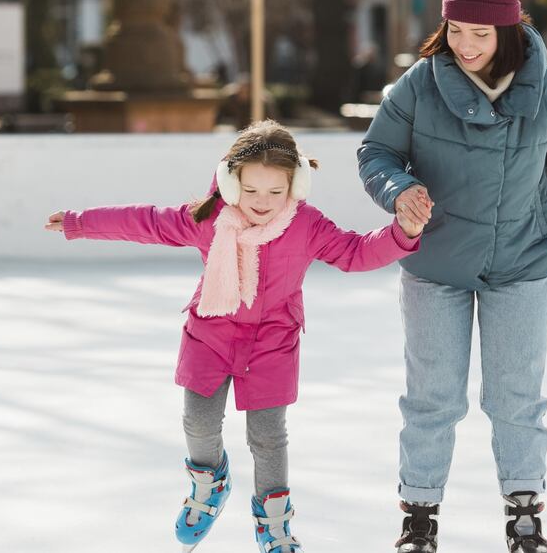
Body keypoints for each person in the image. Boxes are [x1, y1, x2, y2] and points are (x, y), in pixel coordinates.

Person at [46, 120, 430, 553]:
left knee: (267, 437)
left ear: (295, 185)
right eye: (250, 190)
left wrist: (403, 233)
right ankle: (210, 483)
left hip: (273, 342)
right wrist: (80, 222)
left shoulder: (306, 224)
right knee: (198, 422)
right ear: (231, 183)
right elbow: (147, 222)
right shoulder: (209, 218)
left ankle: (274, 524)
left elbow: (355, 252)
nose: (262, 202)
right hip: (210, 332)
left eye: (275, 191)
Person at [357, 0, 547, 553]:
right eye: (456, 30)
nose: (465, 44)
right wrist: (398, 189)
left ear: (507, 30)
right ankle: (419, 517)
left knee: (516, 396)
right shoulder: (420, 84)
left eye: (480, 34)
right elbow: (376, 152)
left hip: (520, 262)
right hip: (436, 263)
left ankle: (524, 515)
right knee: (432, 397)